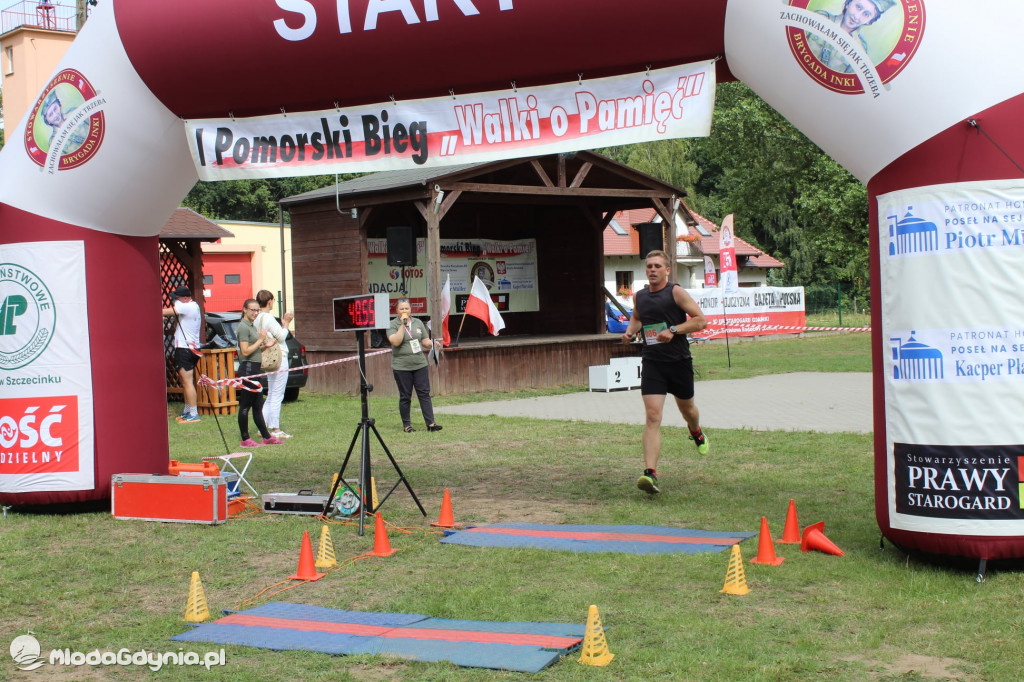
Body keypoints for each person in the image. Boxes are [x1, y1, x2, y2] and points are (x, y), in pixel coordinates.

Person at [622, 250, 709, 494]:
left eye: (657, 266)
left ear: (667, 270)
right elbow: (638, 317)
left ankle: (696, 431)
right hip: (653, 362)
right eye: (649, 266)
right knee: (652, 416)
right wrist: (630, 331)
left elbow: (700, 321)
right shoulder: (639, 296)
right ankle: (650, 474)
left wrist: (673, 330)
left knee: (687, 410)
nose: (652, 269)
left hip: (678, 361)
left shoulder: (675, 292)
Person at [387, 298, 442, 433]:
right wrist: (403, 325)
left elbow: (424, 340)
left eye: (407, 308)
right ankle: (407, 426)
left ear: (411, 309)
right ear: (396, 310)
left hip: (419, 364)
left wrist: (432, 344)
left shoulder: (418, 322)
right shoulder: (392, 324)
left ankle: (431, 424)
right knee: (405, 396)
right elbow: (395, 341)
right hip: (402, 367)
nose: (404, 311)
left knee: (424, 394)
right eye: (401, 309)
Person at [236, 299, 283, 447]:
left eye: (257, 310)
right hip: (248, 370)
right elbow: (245, 352)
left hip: (255, 369)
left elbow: (253, 350)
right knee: (245, 405)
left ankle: (266, 437)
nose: (255, 313)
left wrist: (265, 346)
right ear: (244, 309)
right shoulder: (243, 327)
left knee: (258, 405)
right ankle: (245, 439)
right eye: (252, 310)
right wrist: (261, 339)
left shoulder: (251, 326)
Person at [807, 0, 895, 73]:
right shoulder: (820, 18)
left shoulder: (859, 50)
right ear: (848, 3)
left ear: (870, 21)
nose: (857, 16)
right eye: (858, 7)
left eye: (866, 14)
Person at [255, 290, 294, 440]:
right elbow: (281, 337)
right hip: (278, 357)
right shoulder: (268, 318)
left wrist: (283, 325)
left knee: (271, 393)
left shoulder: (257, 318)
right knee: (277, 394)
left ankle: (262, 427)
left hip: (268, 357)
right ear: (269, 301)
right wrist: (287, 323)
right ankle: (275, 429)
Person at [162, 285, 202, 424]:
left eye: (177, 298)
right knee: (185, 382)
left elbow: (167, 311)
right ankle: (187, 410)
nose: (175, 300)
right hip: (190, 348)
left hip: (185, 349)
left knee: (187, 382)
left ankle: (194, 414)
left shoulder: (187, 307)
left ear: (185, 298)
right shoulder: (192, 305)